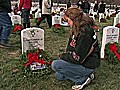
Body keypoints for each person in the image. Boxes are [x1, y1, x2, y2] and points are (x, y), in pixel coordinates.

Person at [51, 7, 100, 90]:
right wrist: (66, 56)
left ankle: (82, 79)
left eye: (68, 20)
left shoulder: (85, 33)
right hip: (81, 60)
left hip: (87, 63)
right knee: (59, 76)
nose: (67, 23)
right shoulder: (77, 28)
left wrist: (63, 56)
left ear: (74, 19)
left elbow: (78, 58)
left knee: (55, 65)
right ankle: (84, 75)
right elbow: (71, 46)